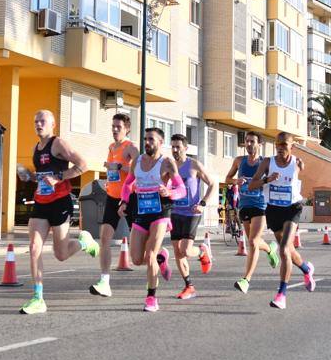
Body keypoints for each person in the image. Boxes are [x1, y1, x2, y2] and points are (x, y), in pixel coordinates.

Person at [19, 110, 100, 315]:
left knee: (61, 254)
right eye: (36, 121)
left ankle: (84, 242)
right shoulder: (36, 148)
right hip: (41, 203)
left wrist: (59, 178)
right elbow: (43, 177)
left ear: (53, 124)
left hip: (60, 203)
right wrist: (29, 176)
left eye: (43, 121)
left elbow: (82, 165)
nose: (38, 124)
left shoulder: (58, 144)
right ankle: (38, 298)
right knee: (34, 247)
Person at [119, 127, 186, 312]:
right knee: (137, 258)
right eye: (145, 139)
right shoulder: (137, 161)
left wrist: (169, 192)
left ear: (160, 142)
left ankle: (151, 297)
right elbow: (127, 185)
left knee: (149, 257)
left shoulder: (167, 163)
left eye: (151, 139)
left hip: (160, 212)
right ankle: (161, 257)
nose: (147, 142)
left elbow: (182, 190)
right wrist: (124, 202)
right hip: (141, 211)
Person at [247, 132, 315, 309]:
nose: (280, 147)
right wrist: (267, 179)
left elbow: (300, 171)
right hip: (273, 210)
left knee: (284, 249)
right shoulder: (267, 163)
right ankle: (306, 269)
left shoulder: (297, 163)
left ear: (292, 146)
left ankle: (281, 295)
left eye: (284, 144)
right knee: (289, 252)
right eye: (278, 144)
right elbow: (252, 185)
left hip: (292, 208)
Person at [90, 113, 139, 298]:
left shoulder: (130, 147)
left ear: (127, 128)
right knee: (104, 238)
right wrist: (111, 168)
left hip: (130, 198)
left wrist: (120, 167)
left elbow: (138, 166)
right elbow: (114, 169)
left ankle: (159, 255)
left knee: (137, 252)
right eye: (113, 126)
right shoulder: (111, 146)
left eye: (118, 127)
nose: (115, 130)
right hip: (112, 197)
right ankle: (105, 281)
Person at [224, 131, 279, 294]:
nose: (248, 144)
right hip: (244, 205)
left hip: (261, 206)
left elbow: (273, 181)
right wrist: (235, 181)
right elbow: (227, 178)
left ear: (259, 144)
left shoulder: (265, 163)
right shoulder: (239, 161)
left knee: (253, 242)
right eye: (247, 142)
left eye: (252, 142)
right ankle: (270, 249)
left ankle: (246, 280)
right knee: (252, 242)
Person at [169, 134, 216, 299]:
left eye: (178, 147)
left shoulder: (194, 165)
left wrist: (203, 204)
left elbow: (212, 184)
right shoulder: (169, 166)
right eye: (172, 146)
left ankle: (203, 251)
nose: (175, 150)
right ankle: (189, 286)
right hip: (175, 212)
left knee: (187, 251)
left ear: (185, 148)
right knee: (177, 251)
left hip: (192, 212)